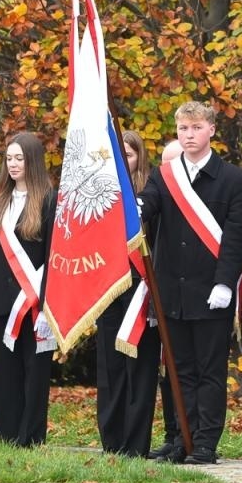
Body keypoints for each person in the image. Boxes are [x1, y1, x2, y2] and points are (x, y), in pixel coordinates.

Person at [137, 101, 242, 464]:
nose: (188, 135)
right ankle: (182, 439)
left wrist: (224, 283)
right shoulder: (163, 175)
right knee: (178, 371)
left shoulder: (233, 179)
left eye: (196, 128)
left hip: (210, 292)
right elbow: (147, 206)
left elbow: (236, 238)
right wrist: (134, 208)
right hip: (172, 291)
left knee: (209, 372)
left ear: (211, 130)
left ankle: (205, 442)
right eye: (183, 129)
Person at [0, 131, 56, 446]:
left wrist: (49, 308)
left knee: (35, 375)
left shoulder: (50, 201)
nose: (12, 164)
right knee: (5, 377)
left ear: (33, 160)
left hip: (36, 306)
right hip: (1, 304)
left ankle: (31, 439)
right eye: (9, 158)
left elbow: (55, 258)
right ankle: (7, 437)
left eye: (19, 158)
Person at [95, 129, 163, 457]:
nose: (123, 161)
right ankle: (113, 441)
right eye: (118, 155)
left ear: (140, 158)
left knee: (141, 369)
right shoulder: (100, 192)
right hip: (110, 286)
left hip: (141, 289)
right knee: (110, 368)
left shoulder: (152, 190)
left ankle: (136, 444)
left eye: (130, 155)